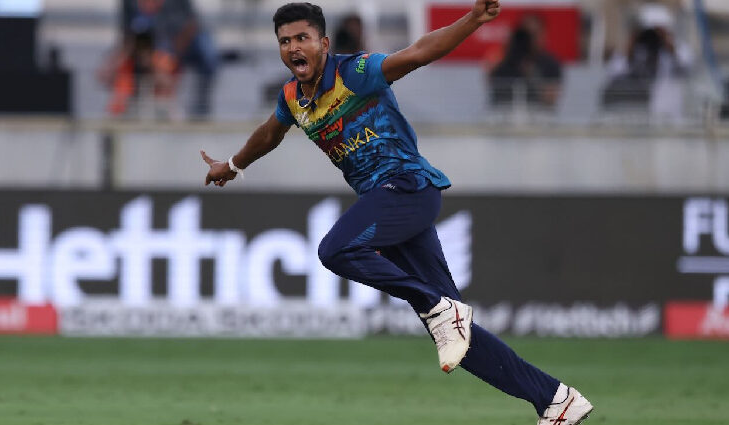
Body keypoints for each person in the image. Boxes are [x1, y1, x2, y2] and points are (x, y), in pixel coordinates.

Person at [200, 3, 593, 424]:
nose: (293, 47)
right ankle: (555, 400)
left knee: (336, 250)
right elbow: (270, 133)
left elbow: (419, 52)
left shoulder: (355, 72)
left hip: (408, 187)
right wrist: (234, 164)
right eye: (284, 41)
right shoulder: (294, 98)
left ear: (324, 43)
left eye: (302, 38)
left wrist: (474, 19)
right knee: (459, 340)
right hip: (389, 204)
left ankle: (435, 305)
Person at [100, 0, 218, 119]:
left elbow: (190, 25)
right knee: (125, 76)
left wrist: (171, 57)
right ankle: (122, 111)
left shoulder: (173, 14)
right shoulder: (131, 7)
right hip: (142, 50)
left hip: (167, 51)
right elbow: (129, 36)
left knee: (164, 72)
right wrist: (113, 63)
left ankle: (170, 108)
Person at [489, 15, 561, 106]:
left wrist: (532, 74)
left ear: (543, 34)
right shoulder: (505, 58)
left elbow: (550, 99)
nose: (529, 40)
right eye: (526, 35)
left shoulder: (550, 63)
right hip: (505, 109)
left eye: (533, 34)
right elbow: (492, 86)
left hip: (538, 110)